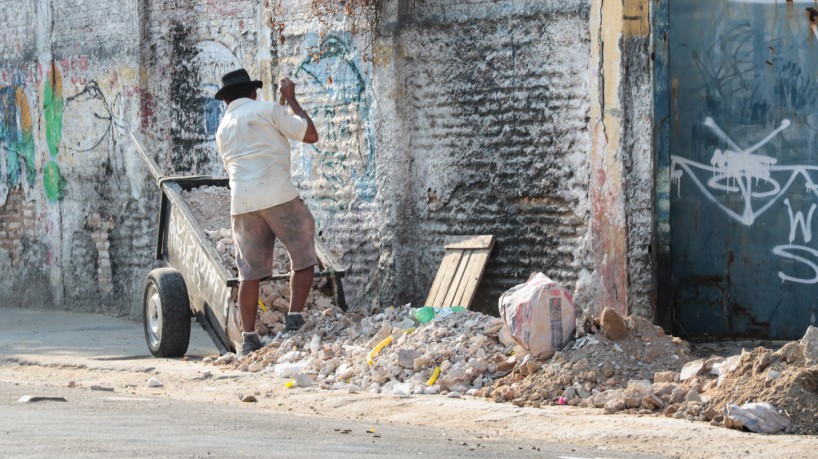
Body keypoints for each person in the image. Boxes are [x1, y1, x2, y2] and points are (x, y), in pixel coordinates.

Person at [214, 68, 319, 357]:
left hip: (242, 201)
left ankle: (249, 338)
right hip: (277, 193)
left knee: (249, 271)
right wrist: (291, 99)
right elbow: (310, 134)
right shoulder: (268, 109)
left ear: (226, 101)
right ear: (253, 92)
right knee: (303, 250)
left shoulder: (222, 130)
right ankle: (294, 318)